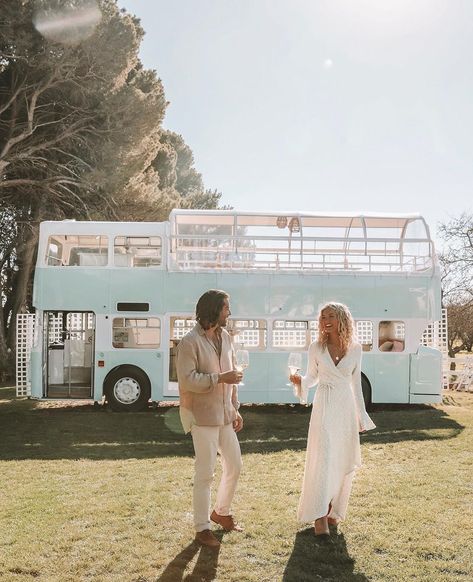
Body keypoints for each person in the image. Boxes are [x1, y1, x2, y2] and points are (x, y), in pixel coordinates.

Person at [290, 302, 376, 538]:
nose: (325, 320)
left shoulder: (356, 349)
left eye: (331, 316)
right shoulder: (316, 347)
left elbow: (356, 385)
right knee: (325, 457)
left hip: (345, 407)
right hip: (324, 406)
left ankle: (333, 511)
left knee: (340, 459)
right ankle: (319, 515)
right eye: (322, 316)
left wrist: (362, 417)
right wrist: (299, 381)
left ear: (342, 319)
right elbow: (312, 378)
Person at [176, 289, 244, 548]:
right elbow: (187, 379)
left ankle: (221, 512)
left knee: (235, 466)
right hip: (201, 417)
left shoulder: (226, 336)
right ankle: (202, 528)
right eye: (227, 308)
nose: (229, 312)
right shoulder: (189, 342)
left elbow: (233, 374)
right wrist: (219, 378)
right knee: (205, 474)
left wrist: (235, 408)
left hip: (225, 415)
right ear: (214, 310)